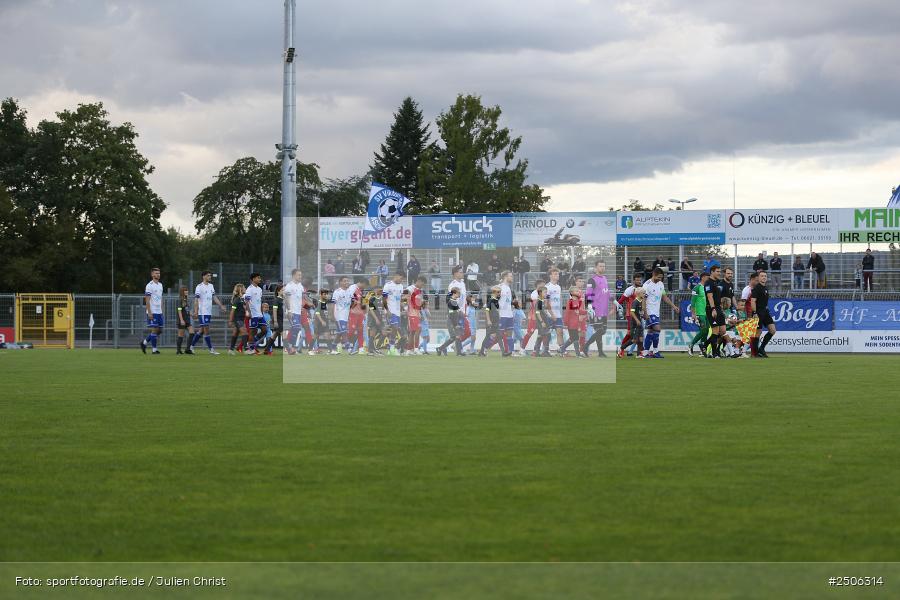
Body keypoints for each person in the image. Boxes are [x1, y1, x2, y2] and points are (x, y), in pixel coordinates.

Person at [641, 267, 680, 358]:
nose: (660, 279)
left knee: (651, 331)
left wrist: (674, 306)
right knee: (657, 329)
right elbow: (643, 300)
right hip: (649, 311)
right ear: (653, 275)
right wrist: (644, 312)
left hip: (656, 312)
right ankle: (655, 351)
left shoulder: (661, 284)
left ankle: (646, 353)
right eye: (658, 277)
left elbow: (664, 297)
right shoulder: (647, 285)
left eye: (661, 277)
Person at [190, 270, 226, 355]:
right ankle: (211, 349)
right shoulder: (199, 286)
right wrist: (196, 311)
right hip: (202, 312)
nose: (210, 277)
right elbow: (196, 300)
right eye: (208, 275)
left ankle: (191, 347)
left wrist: (221, 305)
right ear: (204, 277)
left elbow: (214, 297)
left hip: (208, 312)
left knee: (201, 330)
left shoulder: (211, 286)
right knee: (206, 330)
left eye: (210, 275)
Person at [584, 259, 612, 357]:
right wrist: (589, 307)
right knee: (600, 330)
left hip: (604, 310)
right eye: (600, 266)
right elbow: (588, 294)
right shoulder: (591, 280)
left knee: (602, 331)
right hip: (595, 310)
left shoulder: (604, 278)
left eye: (604, 266)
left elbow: (607, 292)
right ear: (596, 268)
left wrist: (614, 301)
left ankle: (600, 352)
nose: (602, 268)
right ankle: (586, 346)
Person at [284, 269, 312, 355]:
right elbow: (286, 299)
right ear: (293, 275)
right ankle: (290, 347)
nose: (300, 276)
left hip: (299, 311)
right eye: (298, 275)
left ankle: (288, 346)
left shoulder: (300, 286)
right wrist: (289, 311)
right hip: (292, 311)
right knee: (296, 328)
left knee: (295, 328)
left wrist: (309, 303)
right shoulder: (289, 286)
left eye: (301, 275)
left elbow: (303, 297)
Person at [616, 273, 643, 358]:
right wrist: (614, 309)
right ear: (633, 280)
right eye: (637, 280)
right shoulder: (630, 290)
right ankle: (621, 349)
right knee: (631, 334)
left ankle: (639, 353)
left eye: (640, 280)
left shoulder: (642, 289)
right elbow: (620, 300)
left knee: (639, 334)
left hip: (639, 315)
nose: (639, 281)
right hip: (630, 314)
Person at [751, 271, 776, 357]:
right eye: (762, 276)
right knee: (758, 333)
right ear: (758, 277)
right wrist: (754, 313)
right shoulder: (756, 288)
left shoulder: (765, 288)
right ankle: (755, 353)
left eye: (765, 276)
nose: (764, 277)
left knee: (772, 330)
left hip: (765, 312)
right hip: (758, 312)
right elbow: (753, 301)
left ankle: (761, 349)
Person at [704, 265, 726, 358]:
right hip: (711, 308)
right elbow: (710, 297)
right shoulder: (708, 282)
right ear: (712, 272)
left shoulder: (717, 282)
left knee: (722, 331)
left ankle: (704, 345)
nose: (719, 273)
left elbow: (718, 297)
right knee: (715, 331)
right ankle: (715, 353)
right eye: (717, 271)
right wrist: (713, 309)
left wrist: (720, 308)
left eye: (719, 271)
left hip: (718, 308)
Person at [382, 272, 406, 355]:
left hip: (397, 312)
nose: (401, 280)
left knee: (396, 329)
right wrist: (387, 310)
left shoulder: (401, 286)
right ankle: (392, 347)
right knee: (395, 327)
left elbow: (400, 299)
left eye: (403, 279)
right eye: (401, 278)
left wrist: (404, 307)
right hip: (390, 311)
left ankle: (391, 348)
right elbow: (384, 299)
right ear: (396, 276)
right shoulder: (387, 285)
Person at [436, 288, 465, 356]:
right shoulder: (451, 302)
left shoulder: (454, 301)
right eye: (458, 293)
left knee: (455, 337)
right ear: (454, 293)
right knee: (455, 337)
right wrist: (456, 324)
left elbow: (457, 312)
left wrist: (462, 315)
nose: (459, 294)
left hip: (455, 321)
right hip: (451, 322)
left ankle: (440, 349)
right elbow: (451, 314)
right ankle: (458, 353)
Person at [141, 267, 164, 355]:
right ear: (152, 274)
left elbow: (161, 298)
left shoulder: (160, 285)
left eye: (159, 273)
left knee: (160, 330)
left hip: (159, 311)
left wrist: (162, 310)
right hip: (153, 311)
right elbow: (147, 300)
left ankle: (144, 343)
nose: (158, 274)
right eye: (156, 273)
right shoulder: (149, 285)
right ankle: (154, 350)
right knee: (154, 330)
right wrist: (149, 312)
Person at [243, 272, 267, 355]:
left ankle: (250, 344)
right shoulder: (249, 289)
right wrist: (249, 313)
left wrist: (262, 313)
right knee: (253, 331)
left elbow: (260, 302)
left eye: (260, 278)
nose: (260, 279)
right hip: (253, 314)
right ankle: (251, 349)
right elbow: (246, 302)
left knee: (264, 330)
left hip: (260, 314)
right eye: (258, 278)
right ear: (253, 279)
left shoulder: (260, 289)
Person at [560, 287, 587, 357]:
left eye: (578, 291)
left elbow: (579, 311)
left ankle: (561, 349)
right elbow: (567, 313)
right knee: (575, 338)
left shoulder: (577, 301)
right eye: (576, 291)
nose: (578, 292)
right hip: (571, 324)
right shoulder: (570, 302)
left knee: (572, 338)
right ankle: (578, 354)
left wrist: (587, 311)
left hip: (576, 323)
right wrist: (566, 323)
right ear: (572, 293)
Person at [687, 272, 710, 357]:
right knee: (703, 330)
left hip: (707, 313)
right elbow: (692, 302)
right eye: (708, 277)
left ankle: (702, 350)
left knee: (706, 331)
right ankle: (691, 344)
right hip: (699, 313)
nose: (709, 278)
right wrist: (693, 314)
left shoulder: (707, 288)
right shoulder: (697, 288)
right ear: (703, 277)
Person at [545, 267, 565, 351]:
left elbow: (559, 301)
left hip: (558, 314)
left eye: (558, 274)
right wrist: (552, 314)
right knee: (547, 333)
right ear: (550, 276)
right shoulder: (547, 287)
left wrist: (559, 313)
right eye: (555, 274)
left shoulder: (559, 287)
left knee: (560, 332)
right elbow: (546, 302)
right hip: (549, 314)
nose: (557, 275)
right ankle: (545, 350)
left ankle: (562, 350)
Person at [741, 272, 760, 357]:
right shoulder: (747, 290)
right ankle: (743, 351)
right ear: (751, 280)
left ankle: (748, 351)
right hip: (748, 314)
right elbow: (742, 303)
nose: (757, 282)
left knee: (754, 334)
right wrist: (744, 315)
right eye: (756, 280)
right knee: (748, 334)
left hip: (754, 314)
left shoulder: (756, 289)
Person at [407, 276, 426, 354]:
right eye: (422, 284)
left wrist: (420, 312)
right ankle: (416, 348)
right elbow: (406, 299)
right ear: (418, 281)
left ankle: (409, 350)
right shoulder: (410, 288)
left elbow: (419, 303)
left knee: (413, 332)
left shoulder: (419, 291)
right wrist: (407, 310)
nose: (422, 286)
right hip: (412, 313)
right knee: (418, 330)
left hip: (416, 314)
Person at [228, 283, 247, 354]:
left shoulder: (242, 299)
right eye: (244, 288)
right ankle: (246, 349)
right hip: (238, 319)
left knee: (235, 333)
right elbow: (232, 311)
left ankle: (230, 350)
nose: (245, 289)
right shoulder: (237, 299)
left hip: (241, 318)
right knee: (244, 332)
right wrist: (230, 321)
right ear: (240, 290)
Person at [533, 287, 552, 357]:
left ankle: (537, 352)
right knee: (548, 335)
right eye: (545, 292)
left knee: (540, 336)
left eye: (546, 292)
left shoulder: (542, 301)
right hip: (542, 321)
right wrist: (541, 322)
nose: (546, 294)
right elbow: (537, 313)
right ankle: (545, 351)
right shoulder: (539, 301)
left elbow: (543, 311)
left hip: (544, 320)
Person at [175, 286, 194, 355]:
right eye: (185, 291)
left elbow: (187, 310)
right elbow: (179, 310)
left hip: (187, 320)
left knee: (192, 333)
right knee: (181, 335)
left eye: (187, 290)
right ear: (182, 292)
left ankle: (187, 349)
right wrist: (182, 320)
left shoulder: (186, 300)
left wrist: (192, 315)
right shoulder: (180, 300)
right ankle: (178, 350)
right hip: (182, 320)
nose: (187, 292)